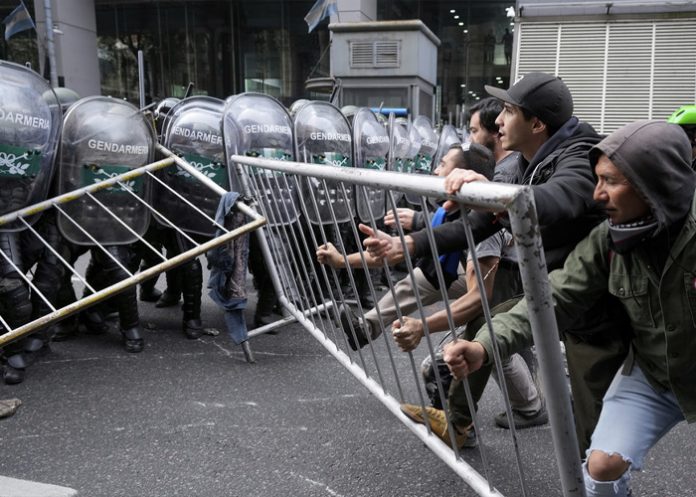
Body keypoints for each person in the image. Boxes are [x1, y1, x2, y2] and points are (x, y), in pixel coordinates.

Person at [362, 72, 631, 453]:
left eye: (507, 110)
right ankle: (459, 422)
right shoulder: (529, 159)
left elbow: (556, 200)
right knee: (485, 323)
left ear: (537, 123)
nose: (498, 121)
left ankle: (595, 476)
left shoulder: (582, 153)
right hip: (551, 294)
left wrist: (492, 191)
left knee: (595, 438)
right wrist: (406, 243)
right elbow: (479, 221)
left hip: (593, 309)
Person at [444, 120, 696, 497]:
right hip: (655, 375)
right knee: (599, 469)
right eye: (596, 180)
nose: (597, 195)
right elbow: (552, 299)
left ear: (652, 184)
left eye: (610, 181)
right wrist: (484, 346)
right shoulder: (607, 240)